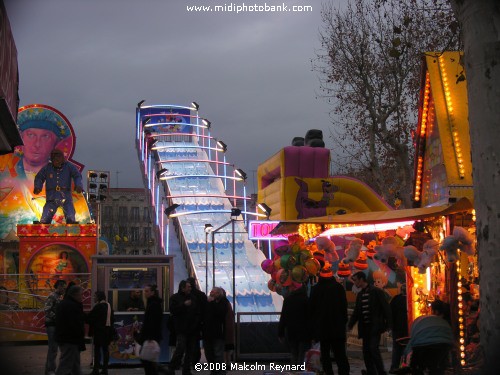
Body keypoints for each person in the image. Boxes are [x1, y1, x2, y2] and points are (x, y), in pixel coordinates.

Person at [309, 264, 350, 375]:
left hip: (322, 329)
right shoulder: (338, 288)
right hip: (337, 328)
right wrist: (343, 322)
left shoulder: (316, 289)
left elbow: (311, 309)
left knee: (325, 354)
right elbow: (343, 307)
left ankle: (329, 372)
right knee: (340, 354)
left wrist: (314, 328)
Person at [348, 271, 392, 375]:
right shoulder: (360, 295)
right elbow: (357, 312)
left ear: (361, 279)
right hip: (365, 328)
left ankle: (381, 371)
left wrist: (389, 325)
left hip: (375, 327)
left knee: (373, 348)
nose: (354, 283)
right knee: (366, 351)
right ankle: (371, 372)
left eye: (355, 280)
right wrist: (350, 325)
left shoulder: (377, 291)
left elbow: (386, 308)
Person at [34, 148, 83, 224]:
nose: (55, 159)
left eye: (58, 157)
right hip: (51, 197)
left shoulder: (69, 166)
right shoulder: (48, 168)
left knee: (70, 215)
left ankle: (71, 224)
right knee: (45, 217)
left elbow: (77, 175)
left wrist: (78, 185)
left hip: (65, 197)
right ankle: (43, 225)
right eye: (53, 157)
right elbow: (39, 177)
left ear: (62, 157)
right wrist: (38, 187)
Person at [404, 300, 454, 375]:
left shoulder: (426, 323)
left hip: (422, 345)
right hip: (442, 345)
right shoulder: (444, 323)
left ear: (435, 311)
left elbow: (411, 344)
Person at [166, 280, 200, 375]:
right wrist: (183, 305)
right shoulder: (175, 298)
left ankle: (186, 370)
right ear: (183, 288)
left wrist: (195, 324)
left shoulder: (193, 298)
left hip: (192, 329)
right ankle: (171, 367)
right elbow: (173, 310)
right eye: (188, 287)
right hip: (181, 328)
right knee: (180, 349)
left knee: (189, 350)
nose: (190, 288)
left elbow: (197, 312)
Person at [55, 285, 86, 375]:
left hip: (68, 339)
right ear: (75, 295)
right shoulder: (71, 306)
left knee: (74, 364)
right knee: (66, 364)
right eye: (81, 294)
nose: (82, 297)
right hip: (70, 339)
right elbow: (74, 323)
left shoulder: (66, 304)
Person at [278, 284, 310, 366]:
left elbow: (283, 318)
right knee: (302, 354)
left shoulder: (288, 300)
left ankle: (294, 371)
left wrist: (280, 333)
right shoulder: (306, 299)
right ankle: (300, 371)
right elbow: (310, 317)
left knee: (294, 353)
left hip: (291, 331)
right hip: (304, 332)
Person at [203, 287, 233, 374]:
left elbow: (220, 313)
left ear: (219, 294)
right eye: (211, 292)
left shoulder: (224, 302)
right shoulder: (207, 302)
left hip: (218, 332)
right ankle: (214, 370)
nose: (211, 293)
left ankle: (220, 372)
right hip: (207, 332)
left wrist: (212, 303)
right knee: (209, 353)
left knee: (218, 354)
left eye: (214, 292)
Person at [87, 291, 115, 375]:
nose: (94, 298)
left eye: (95, 296)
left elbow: (90, 318)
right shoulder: (109, 306)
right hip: (107, 331)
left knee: (97, 351)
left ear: (99, 297)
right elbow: (112, 319)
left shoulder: (98, 307)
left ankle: (96, 369)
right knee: (105, 350)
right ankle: (105, 369)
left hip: (99, 332)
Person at [44, 279, 67, 375]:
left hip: (56, 325)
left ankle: (49, 369)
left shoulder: (60, 297)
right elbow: (47, 309)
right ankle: (50, 370)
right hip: (52, 325)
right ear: (58, 286)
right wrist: (57, 318)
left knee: (54, 348)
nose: (64, 289)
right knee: (53, 348)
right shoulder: (52, 296)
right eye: (63, 287)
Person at [140, 284, 163, 375]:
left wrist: (149, 336)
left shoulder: (153, 304)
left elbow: (153, 322)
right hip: (152, 336)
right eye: (144, 291)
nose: (145, 293)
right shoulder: (153, 303)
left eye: (147, 291)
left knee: (148, 361)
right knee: (150, 361)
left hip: (151, 337)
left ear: (152, 292)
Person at [186, 276, 207, 364]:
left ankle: (190, 360)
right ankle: (195, 360)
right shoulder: (201, 295)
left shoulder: (187, 295)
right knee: (196, 342)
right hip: (199, 322)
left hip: (189, 322)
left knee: (188, 342)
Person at [389, 283, 408, 372]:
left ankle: (394, 366)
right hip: (408, 328)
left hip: (397, 328)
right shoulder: (410, 300)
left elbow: (390, 313)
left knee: (396, 347)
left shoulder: (395, 299)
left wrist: (390, 326)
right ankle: (405, 366)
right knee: (407, 347)